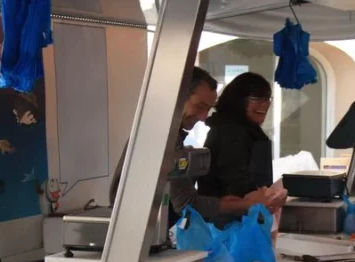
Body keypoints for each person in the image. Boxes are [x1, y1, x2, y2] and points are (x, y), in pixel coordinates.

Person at [108, 67, 275, 228]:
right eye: (200, 106)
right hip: (136, 234)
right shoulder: (158, 137)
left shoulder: (170, 136)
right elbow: (186, 203)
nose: (203, 117)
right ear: (178, 96)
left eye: (208, 109)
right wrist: (245, 204)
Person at [198, 72, 277, 227]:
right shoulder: (230, 132)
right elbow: (234, 185)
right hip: (227, 224)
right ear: (238, 101)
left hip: (243, 219)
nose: (265, 104)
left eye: (267, 98)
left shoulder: (246, 129)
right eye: (256, 98)